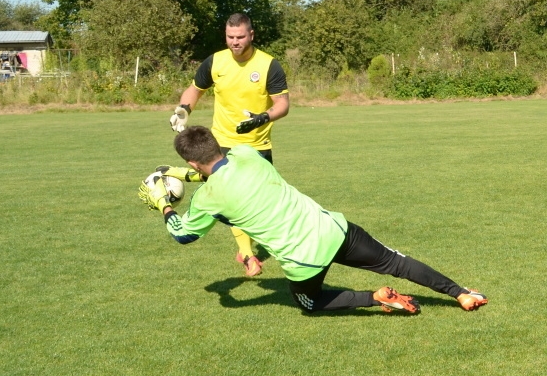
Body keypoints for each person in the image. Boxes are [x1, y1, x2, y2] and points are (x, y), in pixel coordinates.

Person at [142, 126, 488, 315]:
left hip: (304, 259)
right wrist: (180, 172)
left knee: (309, 304)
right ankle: (461, 293)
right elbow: (220, 168)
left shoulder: (207, 199)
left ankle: (375, 298)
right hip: (334, 229)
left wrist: (163, 203)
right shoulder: (247, 155)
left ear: (191, 164)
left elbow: (183, 235)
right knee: (396, 261)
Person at [168, 13, 289, 277]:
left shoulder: (269, 65)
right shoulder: (215, 61)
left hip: (257, 145)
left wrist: (262, 118)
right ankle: (247, 253)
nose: (235, 42)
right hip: (222, 144)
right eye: (230, 37)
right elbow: (195, 89)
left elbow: (283, 105)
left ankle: (177, 173)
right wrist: (183, 109)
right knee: (233, 201)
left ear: (251, 35)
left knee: (261, 203)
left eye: (240, 37)